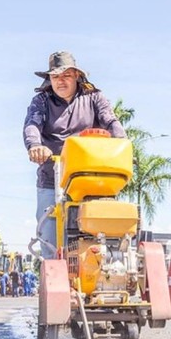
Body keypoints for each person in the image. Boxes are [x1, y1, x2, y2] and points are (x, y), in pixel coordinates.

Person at [23, 51, 126, 259]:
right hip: (51, 179)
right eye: (55, 77)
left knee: (104, 235)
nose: (61, 81)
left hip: (90, 180)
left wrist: (122, 141)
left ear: (77, 76)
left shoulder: (94, 97)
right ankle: (53, 276)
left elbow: (110, 121)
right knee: (50, 241)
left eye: (66, 75)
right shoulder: (41, 101)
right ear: (49, 79)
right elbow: (32, 125)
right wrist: (35, 145)